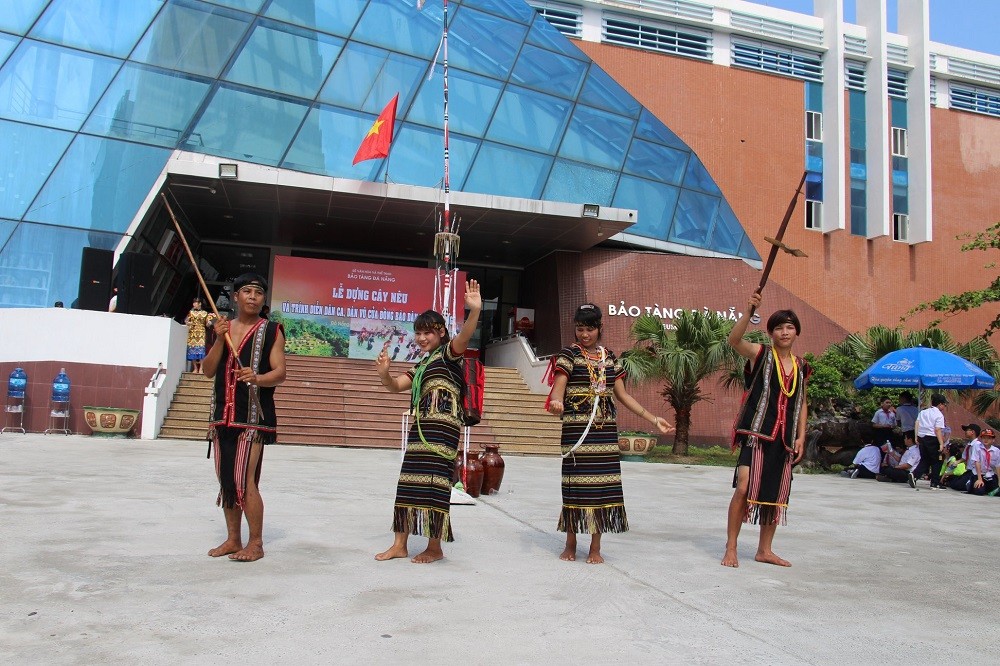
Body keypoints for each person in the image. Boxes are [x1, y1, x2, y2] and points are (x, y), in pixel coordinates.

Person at [545, 303, 672, 564]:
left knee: (603, 489)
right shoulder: (568, 354)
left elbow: (622, 395)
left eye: (590, 329)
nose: (584, 334)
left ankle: (595, 547)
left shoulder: (610, 357)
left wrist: (652, 418)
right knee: (575, 488)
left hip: (604, 435)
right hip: (577, 432)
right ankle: (570, 543)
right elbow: (559, 387)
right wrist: (556, 402)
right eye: (580, 329)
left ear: (600, 328)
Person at [374, 280, 482, 564]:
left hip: (443, 431)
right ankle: (400, 544)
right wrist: (385, 373)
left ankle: (434, 547)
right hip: (420, 430)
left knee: (436, 484)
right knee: (407, 483)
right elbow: (396, 386)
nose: (422, 338)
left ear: (441, 332)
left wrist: (475, 311)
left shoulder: (448, 354)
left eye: (428, 332)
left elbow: (465, 336)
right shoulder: (421, 365)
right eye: (418, 333)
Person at [722, 291, 811, 569]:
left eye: (789, 327)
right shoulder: (760, 354)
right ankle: (732, 547)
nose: (784, 332)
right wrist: (749, 311)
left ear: (796, 332)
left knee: (775, 494)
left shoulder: (802, 366)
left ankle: (765, 550)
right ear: (771, 332)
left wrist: (801, 435)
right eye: (778, 327)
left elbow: (803, 401)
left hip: (783, 439)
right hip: (756, 433)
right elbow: (734, 340)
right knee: (744, 487)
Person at [203, 273, 286, 562]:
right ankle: (233, 539)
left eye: (258, 292)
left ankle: (256, 543)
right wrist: (217, 339)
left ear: (264, 300)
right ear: (236, 296)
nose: (253, 296)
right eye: (247, 291)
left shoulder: (272, 330)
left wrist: (257, 377)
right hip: (221, 416)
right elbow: (208, 370)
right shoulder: (222, 329)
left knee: (244, 480)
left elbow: (280, 373)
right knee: (226, 480)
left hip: (252, 418)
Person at [913, 393, 948, 489]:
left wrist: (916, 436)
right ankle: (935, 482)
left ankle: (914, 475)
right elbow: (937, 430)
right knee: (937, 460)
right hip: (932, 439)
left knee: (925, 459)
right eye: (944, 405)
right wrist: (941, 443)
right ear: (940, 404)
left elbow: (917, 423)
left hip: (922, 438)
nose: (944, 407)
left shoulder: (923, 412)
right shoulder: (939, 415)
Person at [184, 296, 214, 374]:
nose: (194, 304)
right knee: (192, 350)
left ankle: (201, 368)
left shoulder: (205, 313)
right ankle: (195, 368)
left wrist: (209, 323)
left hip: (201, 332)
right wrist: (189, 323)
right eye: (193, 303)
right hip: (193, 332)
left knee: (201, 350)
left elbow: (207, 324)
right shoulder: (191, 312)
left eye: (195, 303)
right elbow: (186, 321)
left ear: (200, 303)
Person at [966, 428, 999, 496]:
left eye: (989, 438)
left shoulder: (996, 451)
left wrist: (999, 481)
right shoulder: (977, 447)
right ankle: (971, 483)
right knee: (979, 492)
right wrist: (979, 479)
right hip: (978, 473)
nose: (986, 440)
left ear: (993, 440)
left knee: (997, 492)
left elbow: (998, 466)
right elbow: (977, 462)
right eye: (984, 438)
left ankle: (987, 488)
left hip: (989, 474)